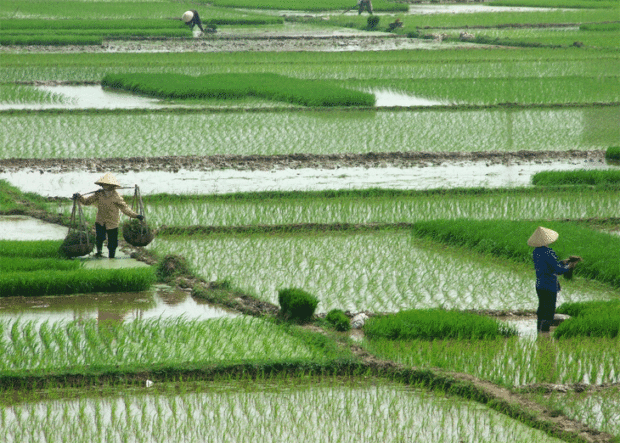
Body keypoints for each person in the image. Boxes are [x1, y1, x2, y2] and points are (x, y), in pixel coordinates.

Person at [73, 173, 143, 259]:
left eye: (106, 185)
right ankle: (99, 253)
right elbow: (87, 201)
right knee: (99, 238)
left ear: (111, 186)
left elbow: (125, 208)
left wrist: (136, 215)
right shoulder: (99, 194)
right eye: (103, 185)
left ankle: (111, 257)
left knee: (112, 242)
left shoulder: (116, 196)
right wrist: (79, 197)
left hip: (112, 222)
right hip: (100, 220)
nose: (104, 186)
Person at [527, 226, 578, 333]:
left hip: (540, 285)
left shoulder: (536, 252)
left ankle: (539, 331)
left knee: (541, 309)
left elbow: (548, 266)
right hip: (549, 285)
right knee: (549, 311)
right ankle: (545, 334)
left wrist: (562, 262)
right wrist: (569, 267)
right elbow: (557, 270)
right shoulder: (548, 252)